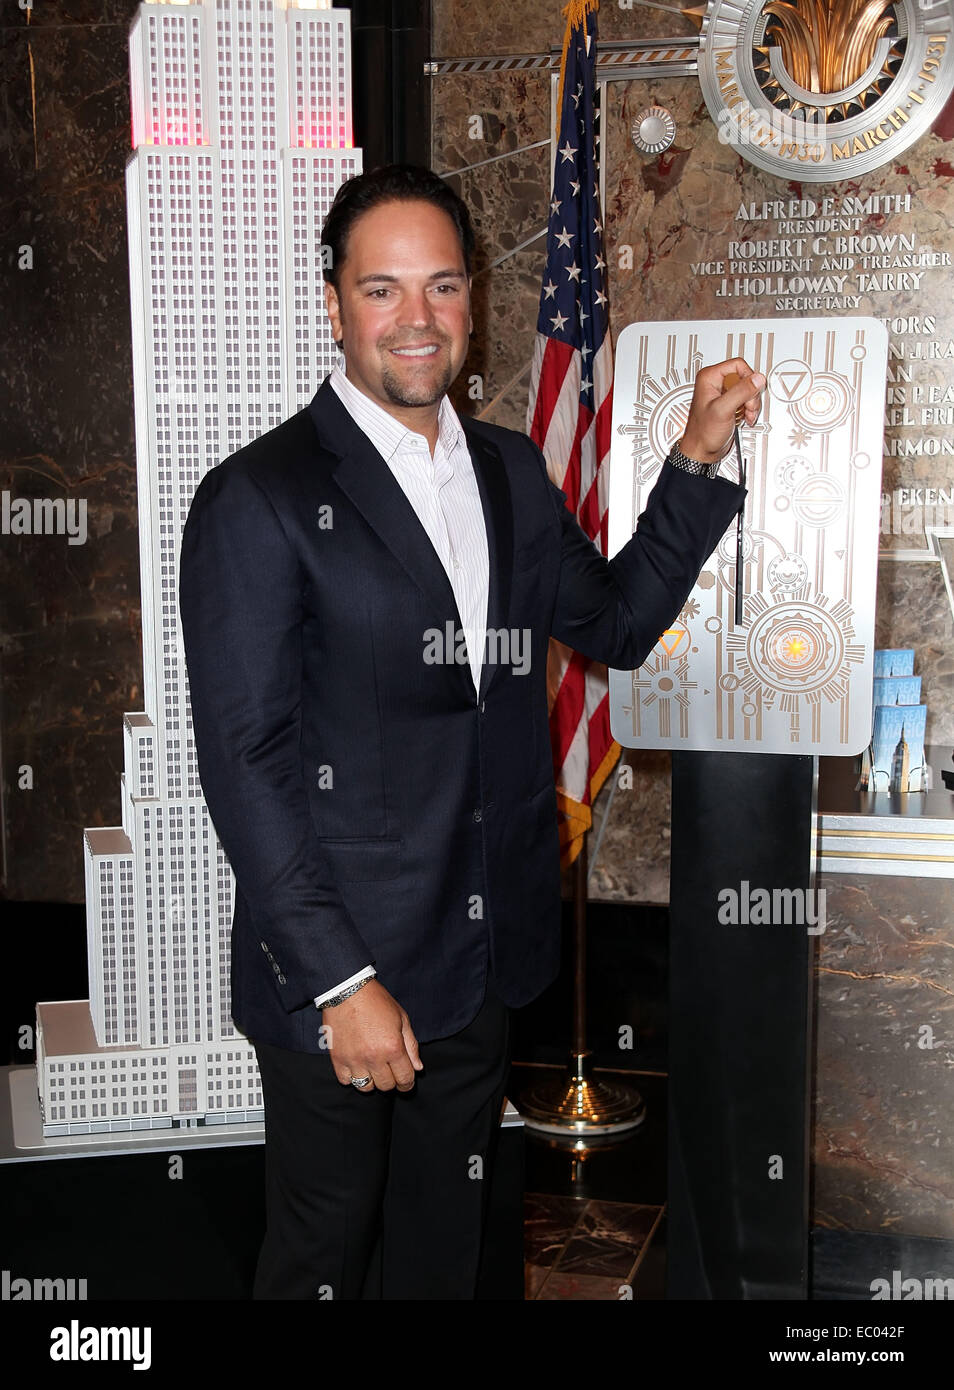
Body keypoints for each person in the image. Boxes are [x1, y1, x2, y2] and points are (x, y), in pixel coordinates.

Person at [178, 163, 764, 1300]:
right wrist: (341, 983)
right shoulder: (257, 498)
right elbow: (246, 767)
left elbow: (620, 622)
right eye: (383, 289)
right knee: (324, 1258)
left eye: (441, 287)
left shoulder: (507, 467)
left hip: (482, 954)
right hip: (343, 969)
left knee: (448, 1251)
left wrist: (693, 460)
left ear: (473, 301)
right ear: (337, 302)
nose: (416, 319)